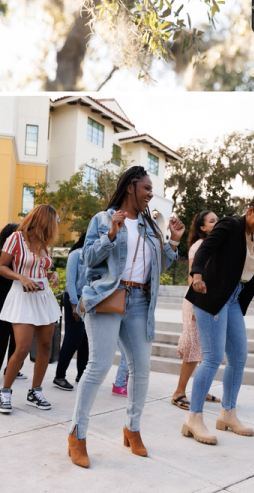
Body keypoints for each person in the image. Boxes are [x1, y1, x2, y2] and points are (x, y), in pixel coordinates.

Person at [67, 166, 184, 468]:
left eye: (151, 189)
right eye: (146, 188)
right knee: (99, 366)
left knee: (141, 369)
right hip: (108, 296)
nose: (150, 194)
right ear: (131, 186)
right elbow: (87, 259)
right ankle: (77, 435)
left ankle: (132, 429)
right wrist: (111, 234)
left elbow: (159, 267)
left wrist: (173, 241)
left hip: (140, 301)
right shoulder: (103, 219)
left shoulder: (150, 226)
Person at [182, 195, 254, 445]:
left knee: (239, 357)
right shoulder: (230, 224)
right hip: (211, 295)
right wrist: (197, 275)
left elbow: (241, 263)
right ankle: (193, 418)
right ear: (250, 210)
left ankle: (227, 413)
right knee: (211, 357)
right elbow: (206, 249)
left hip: (233, 300)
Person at [0, 206, 61, 414]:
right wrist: (20, 277)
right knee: (23, 348)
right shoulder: (16, 238)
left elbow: (41, 268)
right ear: (43, 220)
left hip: (43, 297)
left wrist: (52, 275)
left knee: (45, 347)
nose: (55, 228)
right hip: (22, 296)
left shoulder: (43, 242)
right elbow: (2, 266)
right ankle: (5, 392)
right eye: (53, 223)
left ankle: (35, 392)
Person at [171, 210, 221, 411]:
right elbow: (193, 276)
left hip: (210, 301)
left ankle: (200, 389)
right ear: (202, 228)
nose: (216, 222)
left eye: (217, 219)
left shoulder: (217, 245)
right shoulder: (199, 246)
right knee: (193, 347)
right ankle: (178, 393)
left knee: (205, 349)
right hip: (196, 300)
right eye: (211, 221)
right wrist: (196, 304)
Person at [53, 233, 90, 391]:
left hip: (89, 301)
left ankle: (81, 375)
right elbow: (70, 281)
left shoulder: (95, 256)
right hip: (75, 299)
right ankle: (59, 376)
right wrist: (75, 305)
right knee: (73, 338)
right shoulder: (76, 254)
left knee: (85, 340)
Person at [0, 223, 25, 383]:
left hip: (17, 302)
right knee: (4, 339)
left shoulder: (20, 257)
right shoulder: (5, 257)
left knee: (17, 340)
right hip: (4, 302)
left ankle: (12, 369)